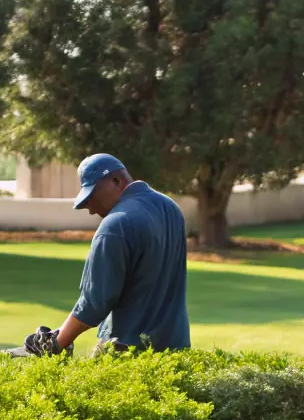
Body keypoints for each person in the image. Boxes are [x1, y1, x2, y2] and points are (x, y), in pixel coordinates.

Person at [22, 152, 190, 357]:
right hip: (176, 347)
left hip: (128, 351)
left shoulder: (114, 225)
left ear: (116, 181)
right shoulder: (170, 208)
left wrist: (55, 343)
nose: (91, 210)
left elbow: (95, 302)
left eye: (92, 196)